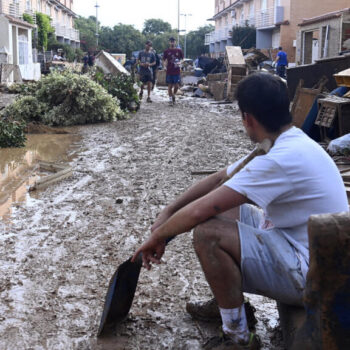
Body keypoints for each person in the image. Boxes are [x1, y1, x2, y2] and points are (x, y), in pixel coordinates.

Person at [132, 73, 349, 350]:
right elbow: (219, 179)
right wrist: (169, 210)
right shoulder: (287, 142)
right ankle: (229, 303)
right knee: (226, 211)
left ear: (247, 118)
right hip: (306, 248)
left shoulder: (280, 159)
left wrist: (159, 236)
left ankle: (238, 338)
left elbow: (201, 210)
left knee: (208, 234)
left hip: (311, 275)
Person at [163, 37, 183, 106]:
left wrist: (180, 63)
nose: (172, 43)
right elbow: (165, 60)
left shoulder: (179, 51)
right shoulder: (166, 51)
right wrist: (165, 66)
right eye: (171, 41)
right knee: (170, 86)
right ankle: (170, 99)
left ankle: (174, 95)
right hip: (169, 71)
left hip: (177, 70)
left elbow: (182, 59)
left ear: (175, 42)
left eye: (173, 41)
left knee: (177, 86)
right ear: (169, 42)